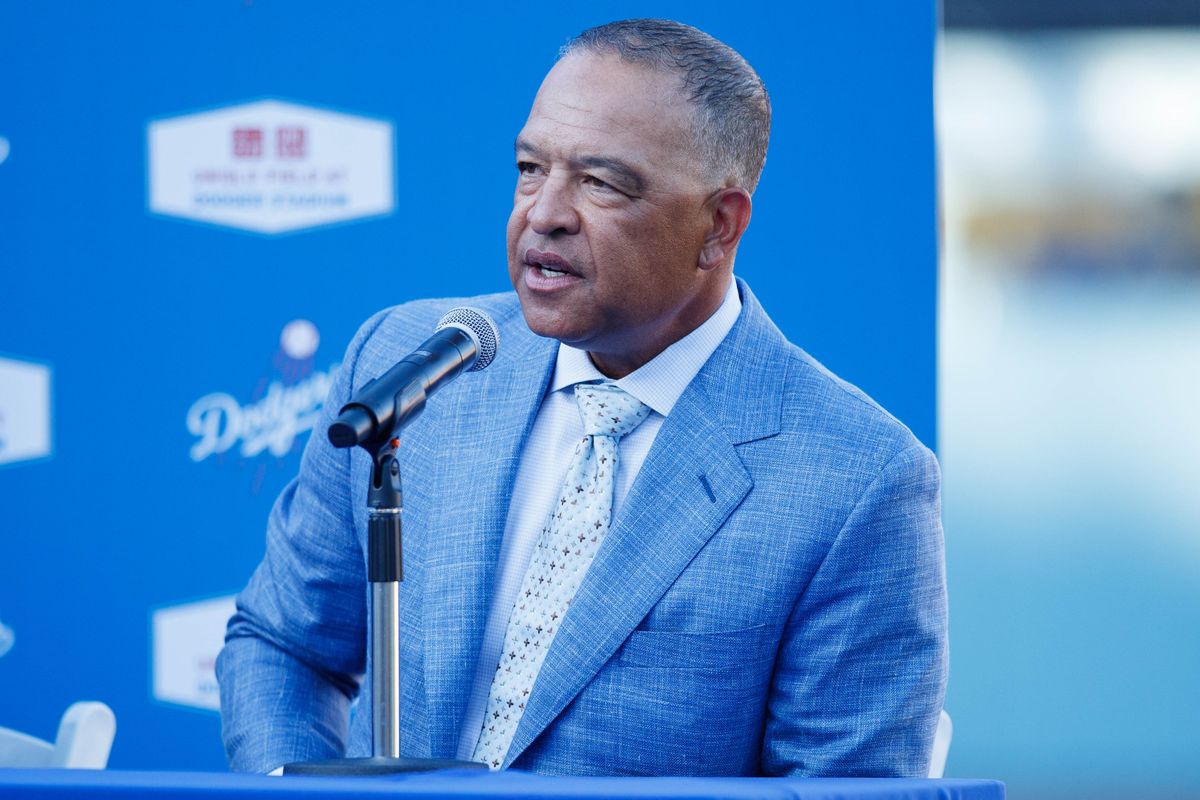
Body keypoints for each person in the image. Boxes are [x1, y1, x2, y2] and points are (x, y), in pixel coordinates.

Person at [217, 18, 947, 777]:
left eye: (600, 183)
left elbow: (842, 790)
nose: (544, 213)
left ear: (718, 227)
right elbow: (284, 645)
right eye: (531, 168)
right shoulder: (410, 364)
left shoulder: (858, 480)